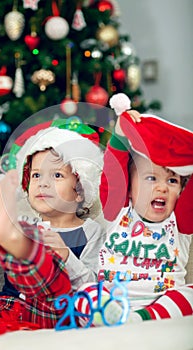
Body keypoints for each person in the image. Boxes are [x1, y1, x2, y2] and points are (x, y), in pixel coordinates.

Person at [0, 124, 105, 330]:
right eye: (36, 175)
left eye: (56, 176)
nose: (42, 183)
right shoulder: (26, 226)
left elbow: (94, 287)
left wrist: (66, 256)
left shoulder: (89, 233)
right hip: (7, 307)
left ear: (80, 190)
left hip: (55, 314)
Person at [75, 93, 193, 325]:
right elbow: (113, 173)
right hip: (113, 302)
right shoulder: (117, 212)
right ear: (129, 189)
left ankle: (138, 320)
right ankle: (111, 317)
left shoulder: (180, 222)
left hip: (162, 303)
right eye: (151, 178)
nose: (162, 188)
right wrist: (120, 133)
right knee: (85, 292)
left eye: (172, 181)